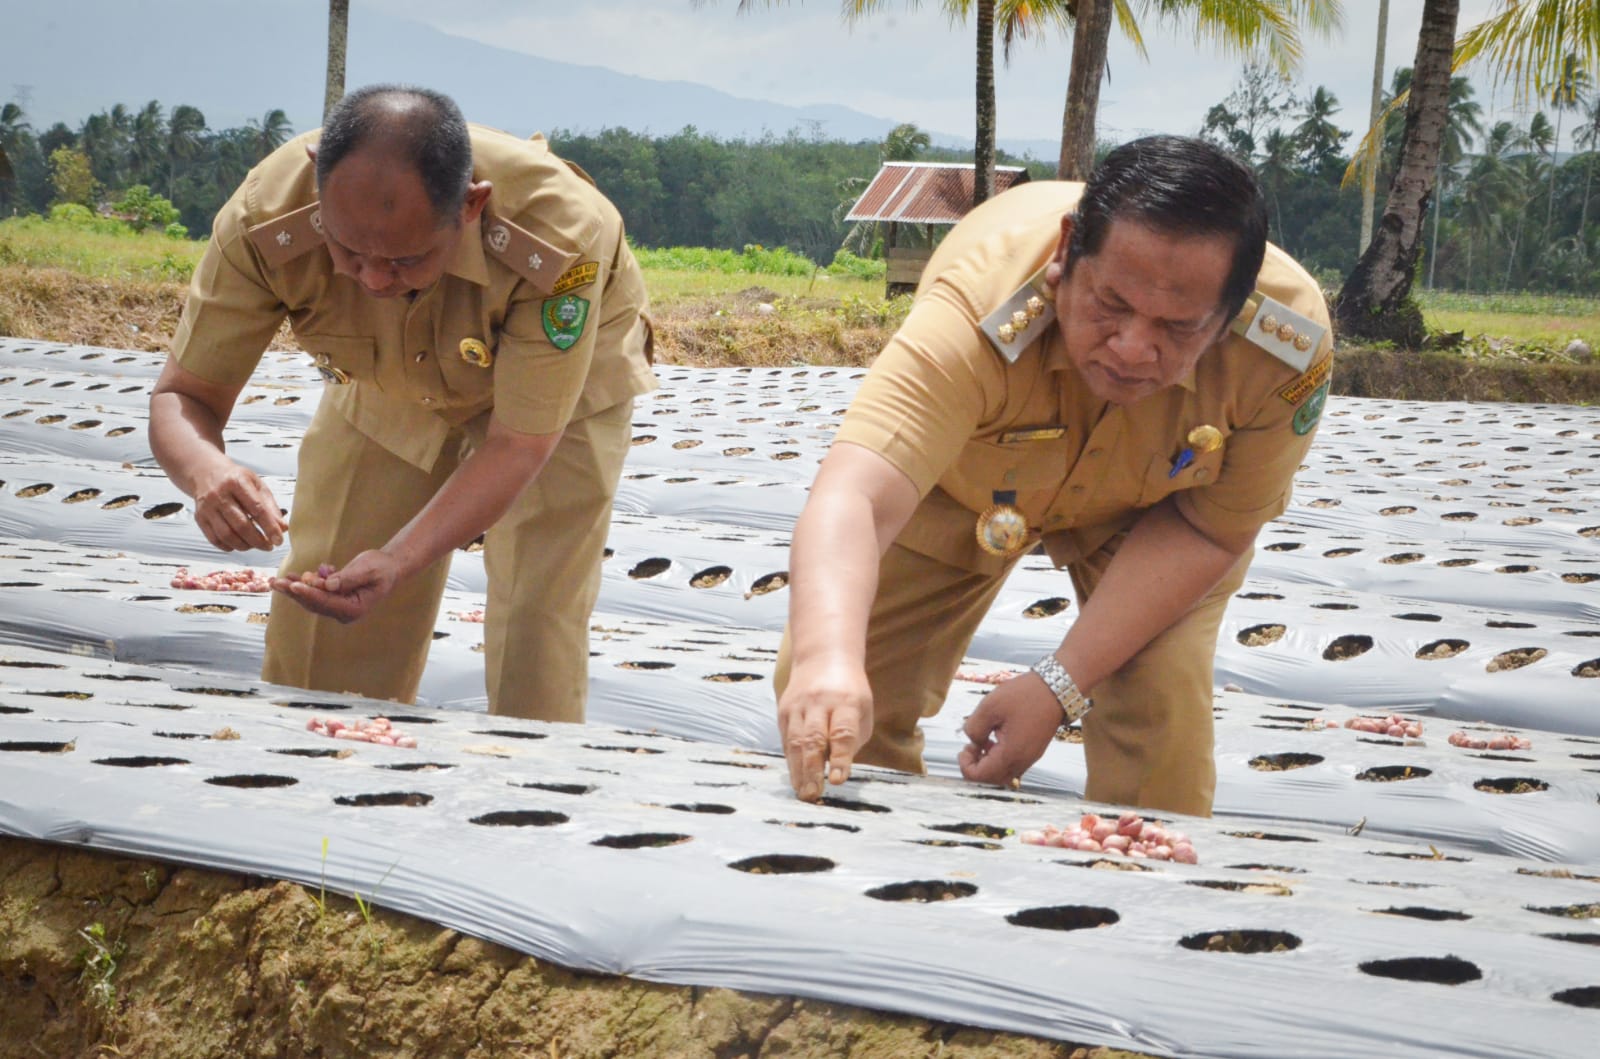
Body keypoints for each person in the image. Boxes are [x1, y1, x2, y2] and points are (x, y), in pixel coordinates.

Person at [775, 135, 1333, 817]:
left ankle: (1142, 902)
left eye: (1177, 328)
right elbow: (856, 494)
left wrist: (1057, 686)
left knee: (1160, 719)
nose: (1131, 348)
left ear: (1229, 316)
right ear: (1067, 253)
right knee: (839, 706)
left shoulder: (1286, 348)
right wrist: (827, 658)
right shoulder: (980, 303)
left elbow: (1212, 530)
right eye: (1110, 305)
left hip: (1153, 514)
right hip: (961, 488)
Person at [148, 85, 655, 721]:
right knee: (328, 600)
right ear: (317, 183)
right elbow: (183, 396)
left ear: (471, 208)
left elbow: (519, 442)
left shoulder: (557, 234)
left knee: (536, 616)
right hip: (387, 382)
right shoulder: (264, 217)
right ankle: (319, 785)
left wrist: (401, 557)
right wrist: (205, 473)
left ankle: (527, 798)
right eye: (348, 252)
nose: (375, 280)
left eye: (405, 258)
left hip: (558, 400)